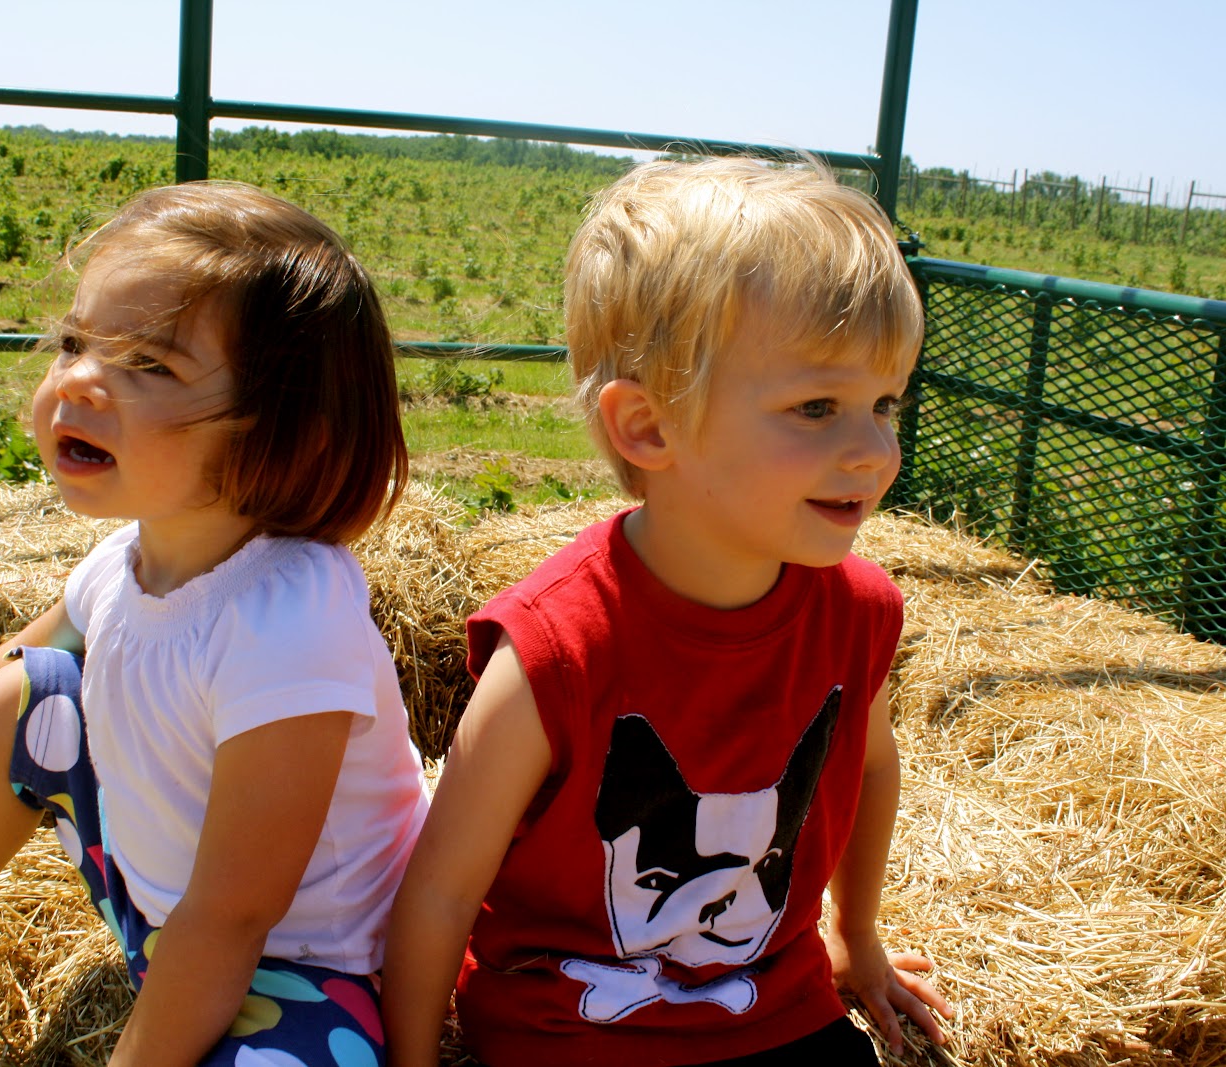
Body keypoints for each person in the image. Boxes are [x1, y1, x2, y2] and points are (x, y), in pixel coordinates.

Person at [0, 182, 430, 1067]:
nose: (79, 379)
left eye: (150, 365)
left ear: (282, 434)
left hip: (301, 963)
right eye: (74, 342)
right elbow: (14, 659)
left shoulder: (289, 619)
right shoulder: (125, 559)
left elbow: (235, 913)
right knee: (30, 693)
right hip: (157, 910)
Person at [383, 157, 953, 1067]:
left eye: (884, 403)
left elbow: (872, 763)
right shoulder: (554, 651)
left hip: (774, 1012)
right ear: (648, 427)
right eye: (818, 406)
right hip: (569, 1033)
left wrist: (857, 935)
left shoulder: (859, 614)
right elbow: (441, 892)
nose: (875, 450)